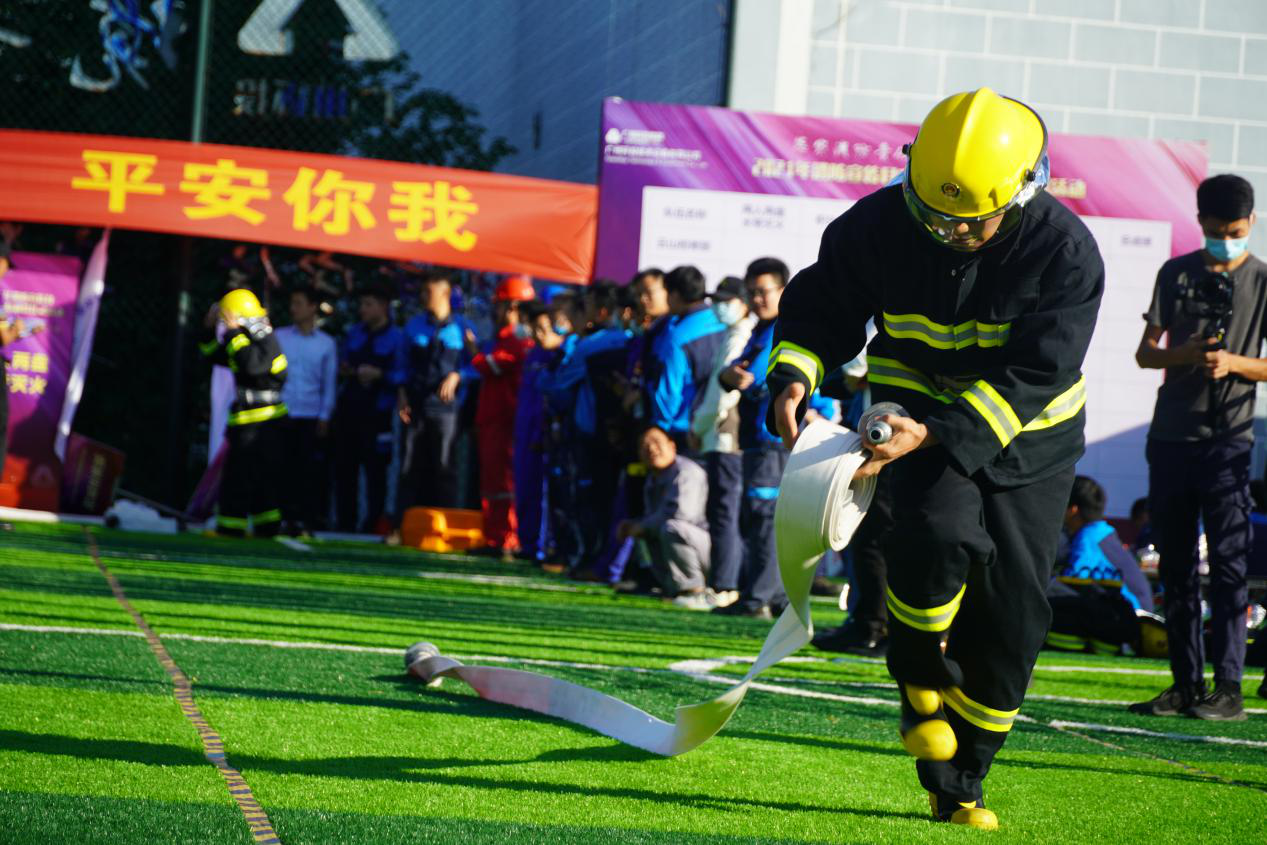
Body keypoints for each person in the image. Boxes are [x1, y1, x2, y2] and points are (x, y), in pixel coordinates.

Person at [766, 88, 1103, 830]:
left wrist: (941, 431)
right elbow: (824, 304)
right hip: (911, 410)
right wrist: (794, 371)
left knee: (1015, 611)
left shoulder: (1065, 249)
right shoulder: (878, 223)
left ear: (1024, 189)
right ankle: (916, 672)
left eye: (968, 220)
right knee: (930, 536)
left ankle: (960, 780)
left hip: (1028, 435)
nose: (948, 230)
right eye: (932, 214)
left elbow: (1040, 369)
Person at [1130, 173, 1267, 722]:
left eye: (1233, 231)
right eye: (1214, 231)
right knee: (1179, 566)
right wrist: (1183, 354)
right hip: (1171, 438)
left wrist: (1233, 363)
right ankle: (1185, 685)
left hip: (1230, 440)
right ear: (1200, 223)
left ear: (1251, 224)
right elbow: (1145, 354)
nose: (1224, 240)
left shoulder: (1262, 279)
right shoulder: (1175, 272)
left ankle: (1228, 687)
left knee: (1230, 566)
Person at [716, 258, 835, 619]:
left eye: (763, 291)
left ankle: (759, 599)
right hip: (761, 439)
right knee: (762, 517)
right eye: (751, 292)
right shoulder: (760, 330)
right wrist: (727, 375)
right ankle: (770, 596)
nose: (756, 299)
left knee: (765, 517)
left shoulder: (783, 329)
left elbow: (752, 382)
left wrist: (732, 377)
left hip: (777, 439)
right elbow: (735, 376)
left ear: (783, 290)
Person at [540, 282, 631, 571]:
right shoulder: (628, 339)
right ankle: (608, 561)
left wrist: (545, 377)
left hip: (592, 432)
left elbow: (558, 388)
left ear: (601, 311)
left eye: (587, 306)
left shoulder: (589, 346)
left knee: (589, 499)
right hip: (625, 431)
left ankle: (587, 558)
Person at [199, 289, 290, 537]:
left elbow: (251, 365)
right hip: (247, 422)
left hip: (264, 424)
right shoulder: (245, 341)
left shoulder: (265, 341)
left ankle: (247, 526)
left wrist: (232, 332)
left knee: (252, 477)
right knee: (243, 476)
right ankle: (240, 525)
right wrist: (208, 330)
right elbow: (212, 354)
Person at [689, 276, 756, 609]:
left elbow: (720, 397)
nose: (719, 306)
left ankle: (725, 585)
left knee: (725, 511)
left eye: (726, 300)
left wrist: (699, 425)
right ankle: (729, 582)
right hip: (723, 433)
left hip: (725, 433)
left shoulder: (740, 336)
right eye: (716, 300)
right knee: (727, 510)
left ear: (743, 303)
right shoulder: (734, 334)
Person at [392, 270, 466, 536]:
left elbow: (474, 365)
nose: (424, 297)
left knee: (445, 467)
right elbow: (401, 364)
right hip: (416, 404)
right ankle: (403, 526)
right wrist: (401, 394)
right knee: (409, 466)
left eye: (429, 292)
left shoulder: (462, 329)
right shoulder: (413, 326)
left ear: (445, 294)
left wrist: (458, 375)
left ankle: (444, 527)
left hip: (447, 409)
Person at [1046, 476, 1154, 655]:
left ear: (1072, 510)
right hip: (1133, 618)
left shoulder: (1089, 540)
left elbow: (1074, 585)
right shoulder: (1102, 535)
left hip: (1129, 621)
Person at [470, 275, 536, 558]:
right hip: (494, 420)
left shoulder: (518, 342)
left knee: (505, 482)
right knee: (494, 481)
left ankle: (507, 538)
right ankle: (495, 536)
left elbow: (491, 367)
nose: (495, 313)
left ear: (511, 308)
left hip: (506, 421)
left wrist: (473, 353)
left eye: (499, 306)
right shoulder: (504, 340)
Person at [333, 284, 404, 534]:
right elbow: (341, 362)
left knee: (376, 469)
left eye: (368, 304)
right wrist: (351, 371)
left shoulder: (397, 338)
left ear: (383, 307)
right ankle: (345, 523)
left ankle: (373, 522)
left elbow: (402, 374)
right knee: (345, 468)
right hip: (350, 409)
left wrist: (380, 375)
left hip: (378, 413)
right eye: (362, 304)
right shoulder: (354, 333)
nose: (363, 310)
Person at [617, 426, 711, 601]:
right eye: (644, 446)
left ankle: (694, 589)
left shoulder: (686, 472)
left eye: (657, 443)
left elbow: (682, 515)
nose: (651, 449)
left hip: (704, 546)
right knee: (641, 529)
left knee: (671, 528)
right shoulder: (653, 477)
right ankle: (663, 585)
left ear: (672, 446)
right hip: (684, 540)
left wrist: (642, 526)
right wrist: (634, 526)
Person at [275, 286, 337, 534]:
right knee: (281, 467)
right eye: (292, 303)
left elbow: (328, 382)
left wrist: (325, 415)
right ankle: (281, 516)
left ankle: (305, 518)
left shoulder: (326, 344)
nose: (293, 309)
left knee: (307, 469)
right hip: (282, 411)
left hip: (310, 414)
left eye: (299, 303)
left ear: (313, 307)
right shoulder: (280, 336)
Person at [649, 266, 726, 451]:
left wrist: (662, 426)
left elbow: (668, 392)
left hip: (685, 430)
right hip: (721, 423)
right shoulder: (722, 322)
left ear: (675, 295)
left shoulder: (677, 336)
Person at [514, 301, 566, 562]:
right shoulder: (533, 355)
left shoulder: (559, 356)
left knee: (545, 494)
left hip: (544, 436)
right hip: (524, 432)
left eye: (544, 328)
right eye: (535, 328)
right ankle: (527, 542)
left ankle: (545, 546)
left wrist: (541, 432)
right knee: (524, 489)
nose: (538, 334)